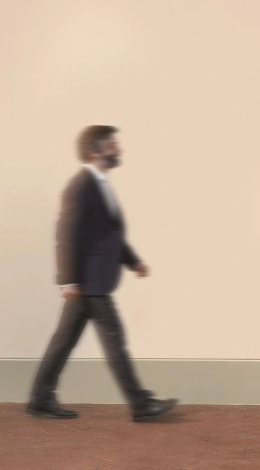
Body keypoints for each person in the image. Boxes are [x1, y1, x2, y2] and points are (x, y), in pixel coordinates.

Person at [27, 125, 178, 422]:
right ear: (94, 151)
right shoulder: (80, 186)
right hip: (88, 283)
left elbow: (109, 237)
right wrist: (67, 280)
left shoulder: (99, 184)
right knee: (113, 341)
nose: (118, 148)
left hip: (90, 282)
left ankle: (40, 399)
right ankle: (141, 405)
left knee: (64, 341)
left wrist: (134, 262)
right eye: (112, 144)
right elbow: (66, 235)